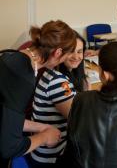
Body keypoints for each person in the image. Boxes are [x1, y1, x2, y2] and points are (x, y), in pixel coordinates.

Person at [0, 20, 77, 167]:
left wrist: (40, 127)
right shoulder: (22, 77)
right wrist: (44, 137)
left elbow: (6, 118)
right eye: (66, 56)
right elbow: (9, 148)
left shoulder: (13, 57)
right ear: (58, 53)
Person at [27, 32, 87, 167]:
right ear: (61, 52)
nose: (77, 56)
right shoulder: (58, 81)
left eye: (80, 51)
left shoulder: (54, 72)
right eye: (71, 51)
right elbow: (79, 122)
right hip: (52, 157)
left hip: (53, 149)